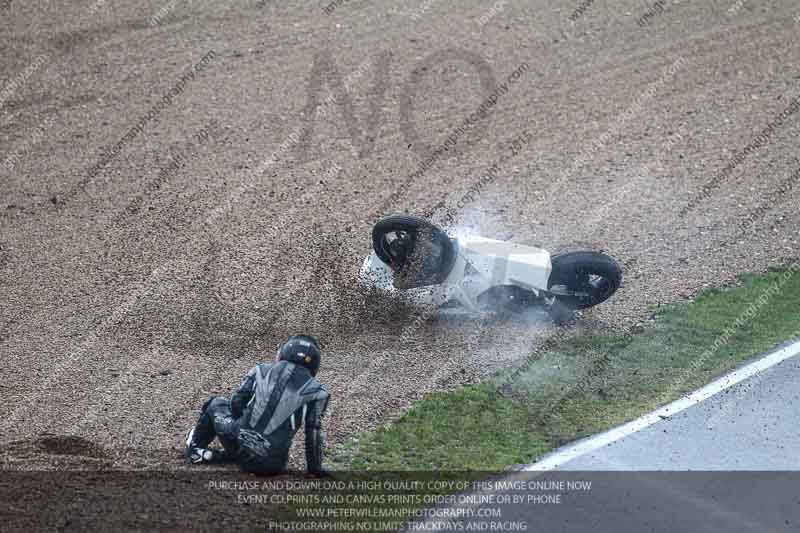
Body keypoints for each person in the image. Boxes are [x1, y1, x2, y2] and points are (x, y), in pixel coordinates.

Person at [184, 334, 330, 476]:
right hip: (273, 465)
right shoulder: (318, 392)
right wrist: (315, 469)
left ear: (284, 352)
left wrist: (244, 428)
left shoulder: (260, 370)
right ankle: (242, 453)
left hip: (239, 445)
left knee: (216, 403)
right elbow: (313, 435)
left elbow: (236, 403)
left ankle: (195, 449)